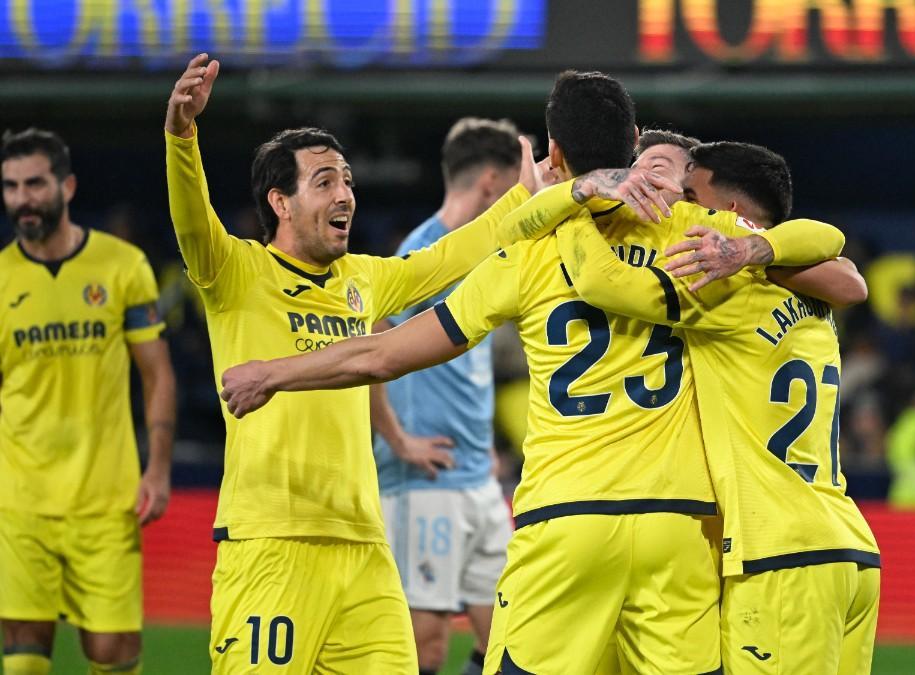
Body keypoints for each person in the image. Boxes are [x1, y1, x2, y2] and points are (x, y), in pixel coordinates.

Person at [218, 70, 847, 674]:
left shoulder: (531, 250)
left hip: (566, 519)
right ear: (634, 145)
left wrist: (273, 372)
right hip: (677, 525)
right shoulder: (691, 229)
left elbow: (381, 355)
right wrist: (751, 247)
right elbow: (829, 253)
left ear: (553, 151)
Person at [163, 53, 574, 672]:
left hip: (364, 546)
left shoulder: (364, 278)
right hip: (273, 542)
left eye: (348, 180)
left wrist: (526, 197)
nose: (345, 194)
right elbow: (192, 218)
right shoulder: (236, 271)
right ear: (281, 201)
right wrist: (182, 137)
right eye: (325, 181)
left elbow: (455, 255)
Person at [555, 139, 881, 674]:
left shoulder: (723, 288)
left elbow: (601, 283)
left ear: (727, 215)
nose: (681, 205)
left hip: (779, 552)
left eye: (691, 194)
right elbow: (841, 257)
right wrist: (755, 248)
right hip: (848, 547)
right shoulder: (812, 286)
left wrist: (567, 205)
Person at [0, 128, 176, 675]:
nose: (22, 198)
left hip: (106, 502)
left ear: (67, 186)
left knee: (114, 658)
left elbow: (158, 374)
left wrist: (159, 468)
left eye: (34, 183)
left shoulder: (122, 266)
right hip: (18, 504)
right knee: (23, 660)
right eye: (10, 186)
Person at [371, 118, 524, 675]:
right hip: (424, 483)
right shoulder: (424, 252)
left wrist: (483, 442)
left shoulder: (480, 256)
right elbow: (368, 348)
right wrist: (398, 439)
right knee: (426, 645)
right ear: (490, 183)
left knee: (510, 639)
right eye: (515, 186)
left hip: (477, 480)